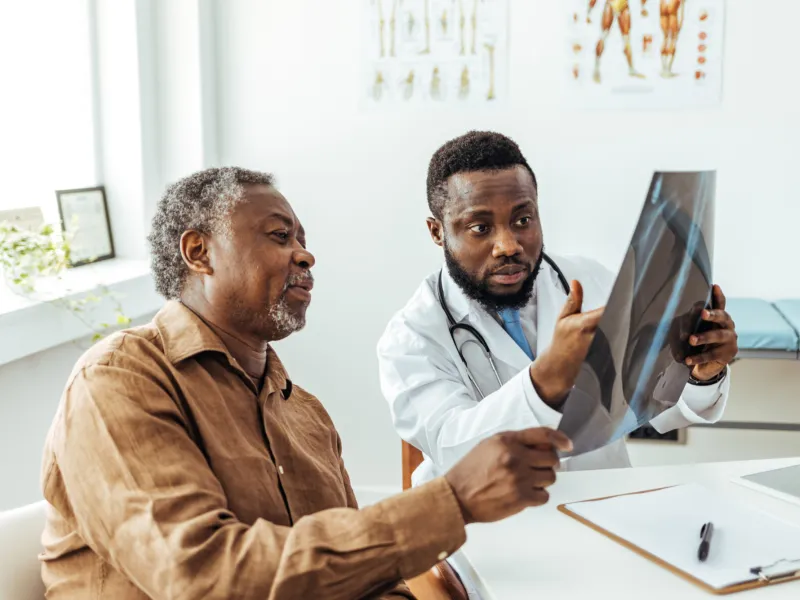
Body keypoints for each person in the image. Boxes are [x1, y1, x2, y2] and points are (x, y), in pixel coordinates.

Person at [39, 167, 572, 599]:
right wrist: (451, 500)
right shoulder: (119, 379)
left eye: (303, 240)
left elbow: (366, 579)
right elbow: (198, 578)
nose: (305, 254)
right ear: (198, 253)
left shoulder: (305, 415)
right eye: (279, 236)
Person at [377, 130, 738, 487]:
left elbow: (654, 408)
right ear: (437, 232)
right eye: (480, 227)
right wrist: (545, 378)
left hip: (602, 503)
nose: (508, 245)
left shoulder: (593, 281)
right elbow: (451, 447)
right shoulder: (411, 337)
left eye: (523, 220)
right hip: (485, 529)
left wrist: (701, 374)